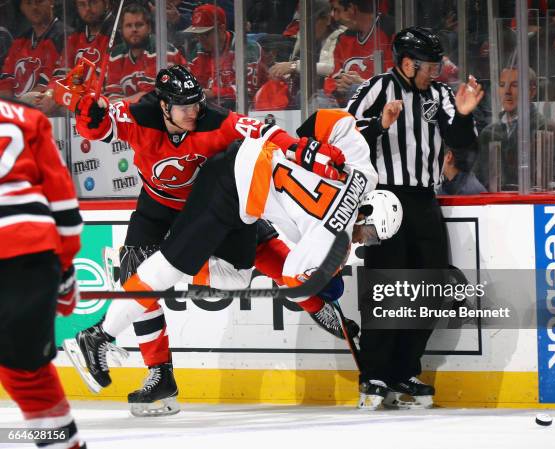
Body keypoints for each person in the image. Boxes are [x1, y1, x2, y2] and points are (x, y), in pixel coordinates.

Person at [67, 64, 347, 416]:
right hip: (157, 207)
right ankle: (160, 377)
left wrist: (306, 151)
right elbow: (99, 128)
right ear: (163, 106)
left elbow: (264, 134)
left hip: (208, 206)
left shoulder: (215, 119)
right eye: (183, 107)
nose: (194, 112)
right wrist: (87, 112)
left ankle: (316, 304)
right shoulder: (138, 114)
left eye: (197, 103)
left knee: (260, 251)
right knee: (134, 276)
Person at [346, 26, 484, 410]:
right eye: (429, 65)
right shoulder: (375, 89)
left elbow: (462, 141)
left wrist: (465, 114)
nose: (436, 71)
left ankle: (404, 369)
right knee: (384, 287)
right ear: (407, 63)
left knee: (429, 286)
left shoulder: (440, 95)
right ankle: (374, 373)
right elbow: (341, 138)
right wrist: (381, 125)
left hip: (424, 199)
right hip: (381, 200)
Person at [0, 97, 85, 448]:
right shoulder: (27, 116)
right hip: (29, 248)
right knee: (27, 372)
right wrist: (65, 273)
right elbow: (64, 203)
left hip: (26, 248)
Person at [475, 66, 555, 191]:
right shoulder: (489, 133)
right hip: (496, 207)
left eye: (514, 85)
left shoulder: (546, 129)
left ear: (531, 91)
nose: (507, 92)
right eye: (502, 85)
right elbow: (481, 180)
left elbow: (554, 183)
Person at [105, 2, 186, 102]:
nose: (134, 29)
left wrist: (119, 105)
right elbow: (113, 93)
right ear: (122, 30)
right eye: (129, 26)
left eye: (139, 25)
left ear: (149, 28)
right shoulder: (116, 54)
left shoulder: (161, 50)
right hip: (133, 111)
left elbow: (150, 96)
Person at [0, 0, 68, 113]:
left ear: (51, 2)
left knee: (31, 98)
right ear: (22, 7)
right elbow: (5, 83)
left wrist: (17, 109)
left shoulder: (64, 36)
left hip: (44, 109)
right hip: (18, 110)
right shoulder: (19, 41)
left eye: (39, 1)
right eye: (28, 3)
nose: (34, 7)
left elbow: (45, 87)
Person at [323, 0, 394, 107]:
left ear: (352, 9)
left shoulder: (391, 32)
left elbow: (397, 86)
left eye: (337, 10)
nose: (335, 17)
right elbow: (331, 84)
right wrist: (340, 89)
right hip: (348, 110)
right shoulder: (343, 38)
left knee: (355, 90)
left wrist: (363, 84)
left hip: (383, 110)